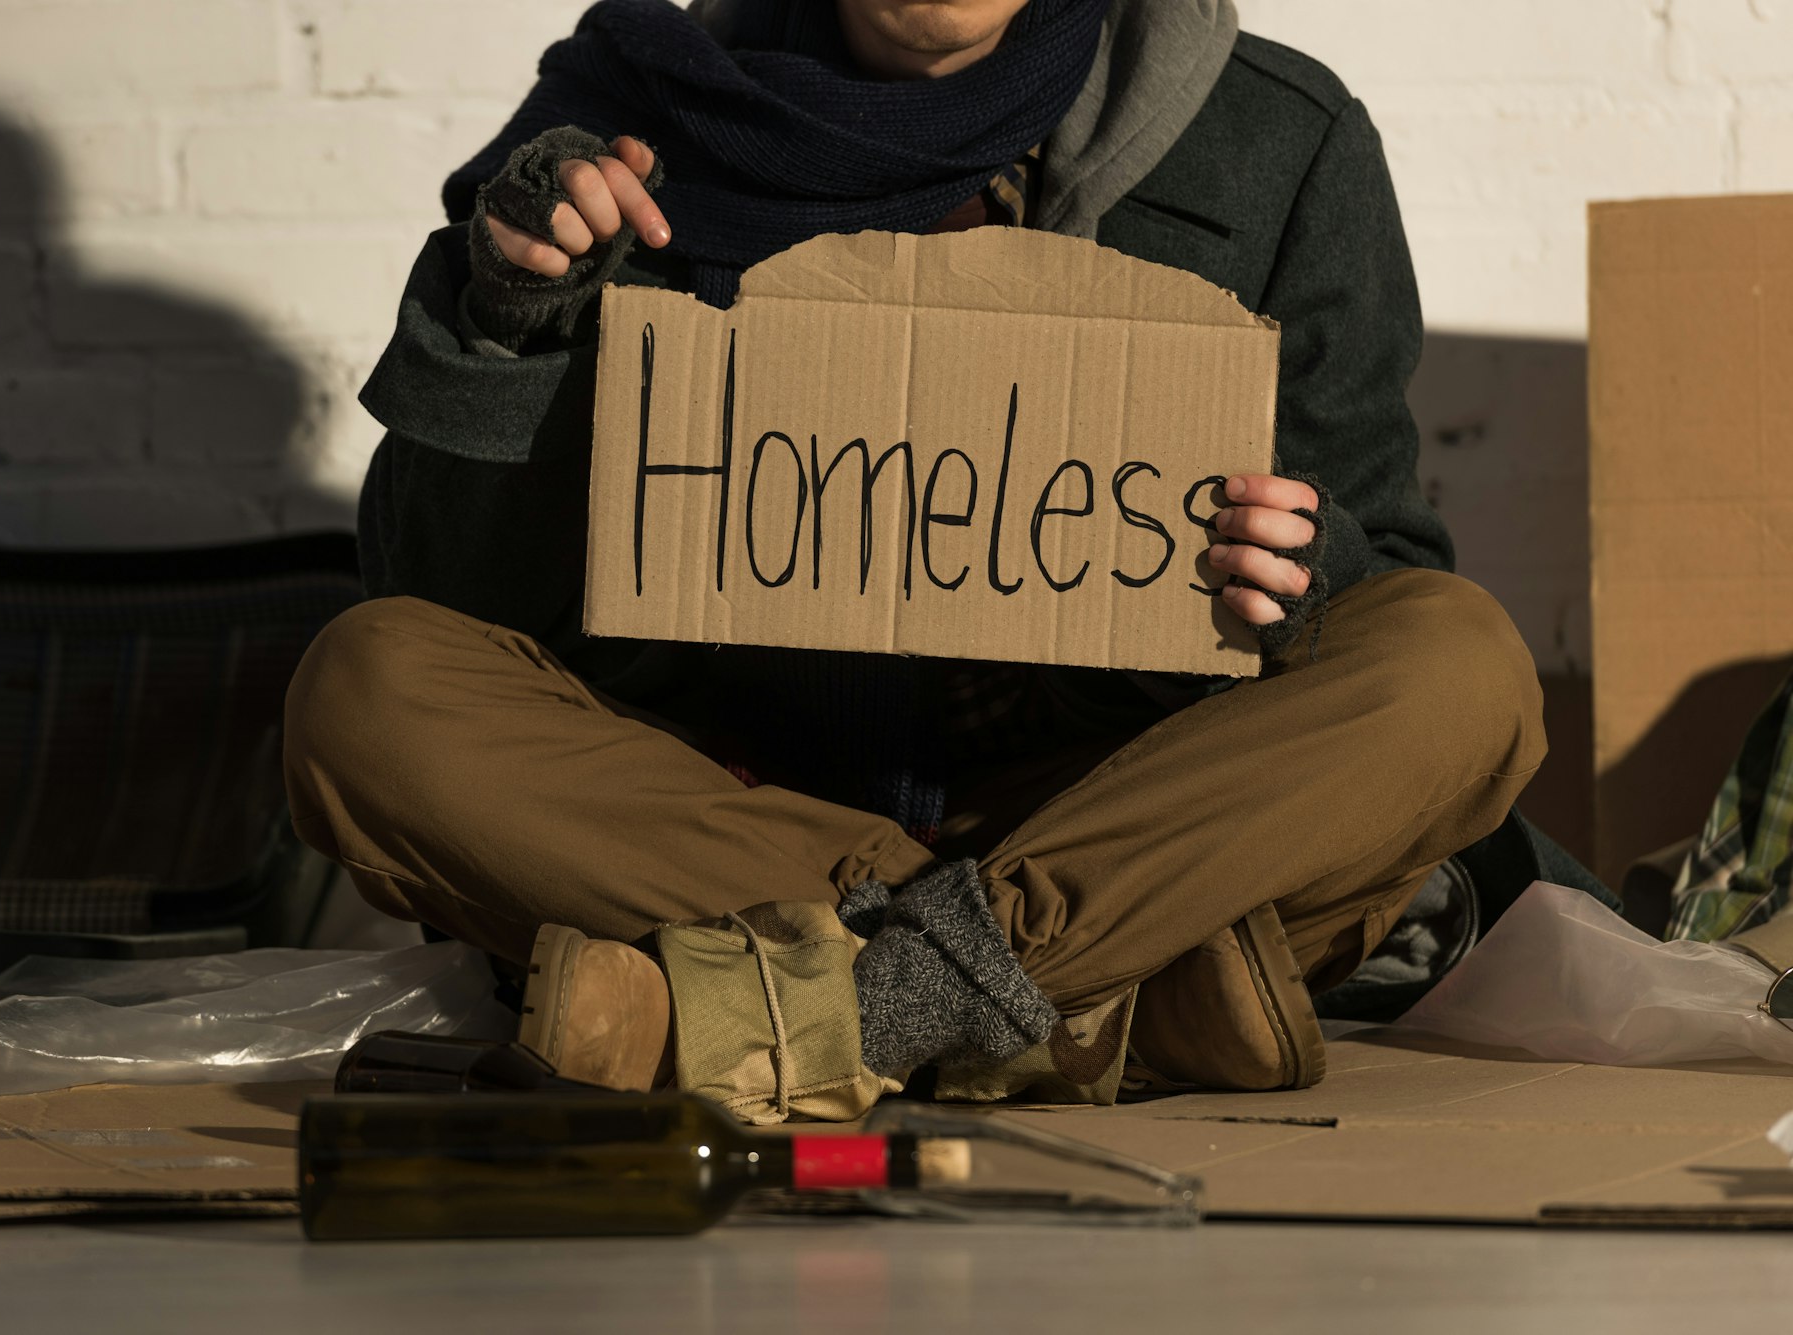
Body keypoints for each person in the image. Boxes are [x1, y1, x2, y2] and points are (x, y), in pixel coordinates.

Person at [284, 0, 1561, 1111]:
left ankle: (778, 1013)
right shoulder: (628, 118)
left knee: (1457, 660)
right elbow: (443, 599)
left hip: (1106, 806)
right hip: (721, 813)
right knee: (366, 682)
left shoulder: (1277, 136)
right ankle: (1102, 1009)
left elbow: (1384, 570)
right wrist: (515, 319)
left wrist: (1295, 570)